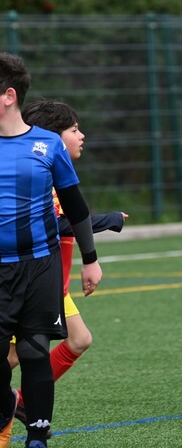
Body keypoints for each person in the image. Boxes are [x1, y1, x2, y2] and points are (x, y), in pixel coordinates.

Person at [0, 53, 103, 448]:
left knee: (34, 352)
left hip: (39, 267)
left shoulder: (46, 145)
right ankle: (7, 407)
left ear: (9, 96)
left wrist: (90, 260)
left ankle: (37, 437)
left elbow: (76, 208)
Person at [6, 100, 127, 429]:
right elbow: (61, 223)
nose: (81, 136)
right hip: (28, 282)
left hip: (51, 286)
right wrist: (109, 220)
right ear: (52, 139)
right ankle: (14, 403)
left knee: (79, 339)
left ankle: (22, 401)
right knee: (13, 357)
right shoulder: (37, 177)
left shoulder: (55, 176)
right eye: (74, 130)